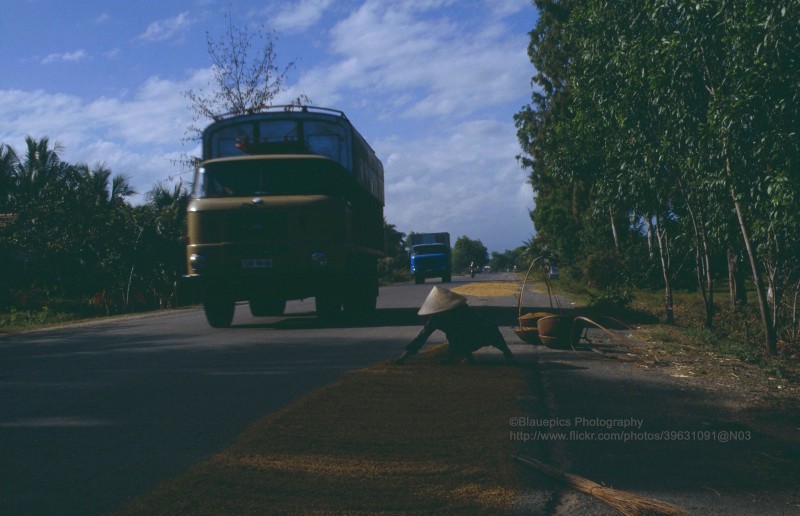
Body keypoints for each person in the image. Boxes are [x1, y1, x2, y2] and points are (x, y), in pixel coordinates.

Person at [395, 286, 515, 364]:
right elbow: (422, 337)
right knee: (455, 336)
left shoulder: (461, 309)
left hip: (478, 335)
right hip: (460, 341)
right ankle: (463, 357)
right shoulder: (436, 318)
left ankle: (507, 353)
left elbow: (472, 325)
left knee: (490, 327)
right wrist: (404, 356)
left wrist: (452, 355)